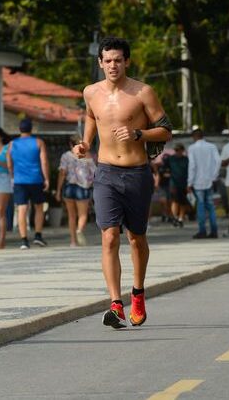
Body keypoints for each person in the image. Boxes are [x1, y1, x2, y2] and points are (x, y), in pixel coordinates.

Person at [72, 36, 172, 329]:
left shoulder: (143, 92)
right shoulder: (91, 92)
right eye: (108, 60)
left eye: (118, 60)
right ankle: (115, 303)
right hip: (105, 173)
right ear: (100, 63)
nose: (113, 65)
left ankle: (137, 292)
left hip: (137, 173)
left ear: (127, 61)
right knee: (109, 236)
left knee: (136, 238)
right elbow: (92, 117)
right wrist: (85, 143)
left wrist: (139, 134)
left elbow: (166, 131)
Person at [7, 118, 49, 249]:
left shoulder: (12, 144)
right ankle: (38, 236)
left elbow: (9, 163)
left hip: (20, 180)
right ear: (31, 129)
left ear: (19, 129)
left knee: (22, 209)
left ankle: (24, 240)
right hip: (36, 179)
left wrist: (12, 175)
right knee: (39, 208)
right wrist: (46, 178)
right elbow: (44, 162)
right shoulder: (38, 142)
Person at [56, 134, 97, 247]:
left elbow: (62, 173)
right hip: (83, 188)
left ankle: (73, 241)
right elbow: (95, 173)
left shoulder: (66, 156)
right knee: (83, 215)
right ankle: (79, 230)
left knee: (71, 215)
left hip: (69, 187)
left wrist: (58, 190)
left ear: (70, 144)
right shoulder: (88, 156)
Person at [187, 128, 221, 239]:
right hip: (209, 180)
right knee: (211, 206)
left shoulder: (192, 148)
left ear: (194, 137)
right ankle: (214, 231)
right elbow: (218, 161)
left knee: (200, 206)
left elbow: (192, 166)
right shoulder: (212, 147)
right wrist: (214, 176)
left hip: (197, 181)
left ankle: (202, 231)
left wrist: (189, 182)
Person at [165, 143, 190, 227]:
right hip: (173, 182)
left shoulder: (186, 159)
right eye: (176, 150)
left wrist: (189, 184)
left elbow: (189, 171)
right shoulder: (170, 159)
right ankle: (175, 217)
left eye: (179, 150)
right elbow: (165, 168)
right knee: (174, 200)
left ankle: (181, 218)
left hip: (184, 183)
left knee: (183, 202)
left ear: (183, 150)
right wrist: (166, 173)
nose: (177, 152)